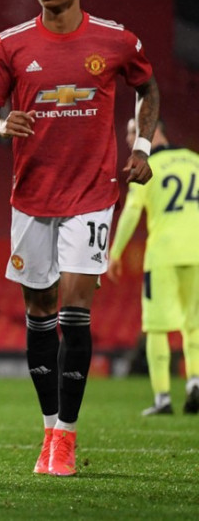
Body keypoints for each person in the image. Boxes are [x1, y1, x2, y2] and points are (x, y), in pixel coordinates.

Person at [0, 0, 159, 476]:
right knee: (38, 310)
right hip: (31, 197)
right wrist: (0, 124)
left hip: (92, 194)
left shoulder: (115, 40)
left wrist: (143, 147)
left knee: (76, 308)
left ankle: (67, 440)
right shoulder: (10, 44)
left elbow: (148, 89)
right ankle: (49, 427)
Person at [108, 119, 199, 416]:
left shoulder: (146, 166)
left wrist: (115, 253)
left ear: (154, 131)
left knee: (156, 328)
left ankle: (162, 399)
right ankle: (195, 382)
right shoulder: (194, 160)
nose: (128, 139)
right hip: (197, 252)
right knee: (194, 324)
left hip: (163, 255)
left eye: (133, 132)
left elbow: (132, 210)